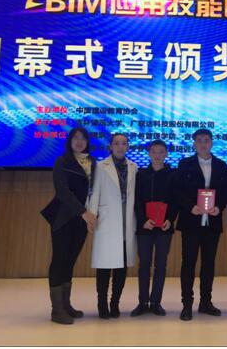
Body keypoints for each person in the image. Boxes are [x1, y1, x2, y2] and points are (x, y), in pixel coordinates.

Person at [41, 127, 97, 324]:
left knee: (70, 260)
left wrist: (91, 215)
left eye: (83, 138)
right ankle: (57, 310)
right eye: (75, 138)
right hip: (63, 218)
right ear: (70, 141)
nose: (79, 142)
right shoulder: (62, 161)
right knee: (59, 260)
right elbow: (62, 191)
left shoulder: (92, 162)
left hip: (81, 221)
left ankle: (66, 305)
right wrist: (84, 212)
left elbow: (94, 192)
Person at [174, 129, 227, 321]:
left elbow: (225, 192)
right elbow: (177, 191)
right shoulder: (185, 164)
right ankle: (187, 304)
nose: (203, 144)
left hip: (212, 222)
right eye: (199, 141)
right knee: (188, 263)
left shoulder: (221, 165)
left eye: (206, 140)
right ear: (194, 144)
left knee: (208, 264)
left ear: (212, 142)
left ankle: (206, 302)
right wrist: (191, 207)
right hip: (191, 221)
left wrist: (219, 207)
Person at [88, 133, 138, 319]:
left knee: (121, 267)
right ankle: (102, 303)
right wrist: (91, 216)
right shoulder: (101, 166)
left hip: (126, 221)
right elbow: (94, 192)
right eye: (116, 143)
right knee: (104, 266)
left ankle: (115, 302)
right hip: (107, 221)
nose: (120, 147)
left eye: (124, 143)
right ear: (110, 146)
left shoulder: (134, 167)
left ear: (128, 147)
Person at [131, 140, 178, 317]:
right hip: (145, 227)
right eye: (154, 152)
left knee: (160, 265)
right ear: (149, 153)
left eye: (161, 152)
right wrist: (143, 220)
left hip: (164, 227)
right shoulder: (141, 174)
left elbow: (175, 200)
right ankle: (143, 302)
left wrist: (170, 220)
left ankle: (156, 302)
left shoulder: (172, 175)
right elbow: (136, 200)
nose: (157, 155)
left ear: (166, 154)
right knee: (144, 264)